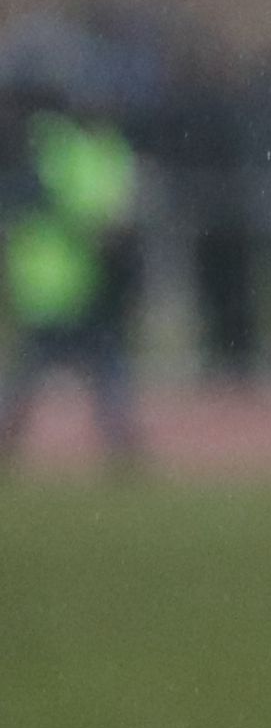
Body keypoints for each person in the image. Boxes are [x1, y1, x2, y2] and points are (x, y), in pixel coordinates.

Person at [3, 68, 151, 473]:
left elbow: (121, 205)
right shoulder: (57, 146)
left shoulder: (108, 149)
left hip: (94, 276)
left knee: (95, 359)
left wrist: (116, 237)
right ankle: (115, 437)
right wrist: (98, 228)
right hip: (55, 275)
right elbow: (52, 202)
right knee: (49, 362)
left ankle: (118, 437)